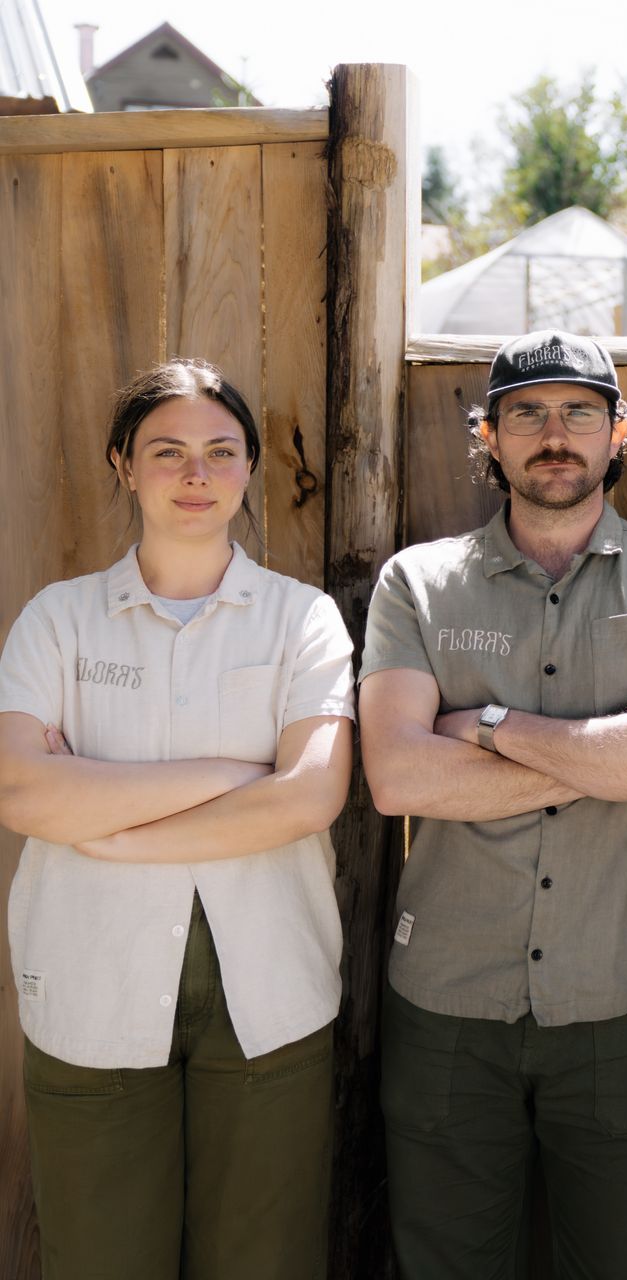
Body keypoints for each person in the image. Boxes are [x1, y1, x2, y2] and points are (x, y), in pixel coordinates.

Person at [357, 330, 627, 1279]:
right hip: (446, 999)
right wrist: (615, 746)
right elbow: (398, 779)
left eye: (578, 412)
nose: (553, 435)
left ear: (620, 431)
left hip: (622, 996)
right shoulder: (418, 583)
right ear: (488, 434)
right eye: (526, 414)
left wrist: (481, 724)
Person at [0, 359, 355, 1279]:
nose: (195, 475)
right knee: (101, 1259)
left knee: (263, 1259)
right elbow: (22, 793)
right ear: (123, 464)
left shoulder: (303, 621)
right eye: (167, 451)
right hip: (90, 985)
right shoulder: (58, 621)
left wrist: (111, 824)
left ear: (246, 469)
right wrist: (234, 775)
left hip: (270, 991)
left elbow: (312, 795)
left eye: (220, 452)